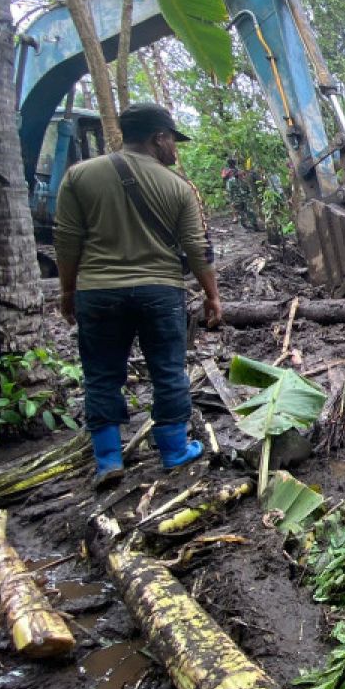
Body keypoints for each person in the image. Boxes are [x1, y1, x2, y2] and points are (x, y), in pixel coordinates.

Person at [54, 102, 221, 489]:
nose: (174, 150)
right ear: (157, 138)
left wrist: (68, 290)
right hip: (160, 291)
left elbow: (66, 241)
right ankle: (174, 451)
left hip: (98, 292)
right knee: (167, 369)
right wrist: (212, 295)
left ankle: (109, 459)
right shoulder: (176, 187)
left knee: (101, 376)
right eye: (172, 141)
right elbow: (197, 247)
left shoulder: (79, 176)